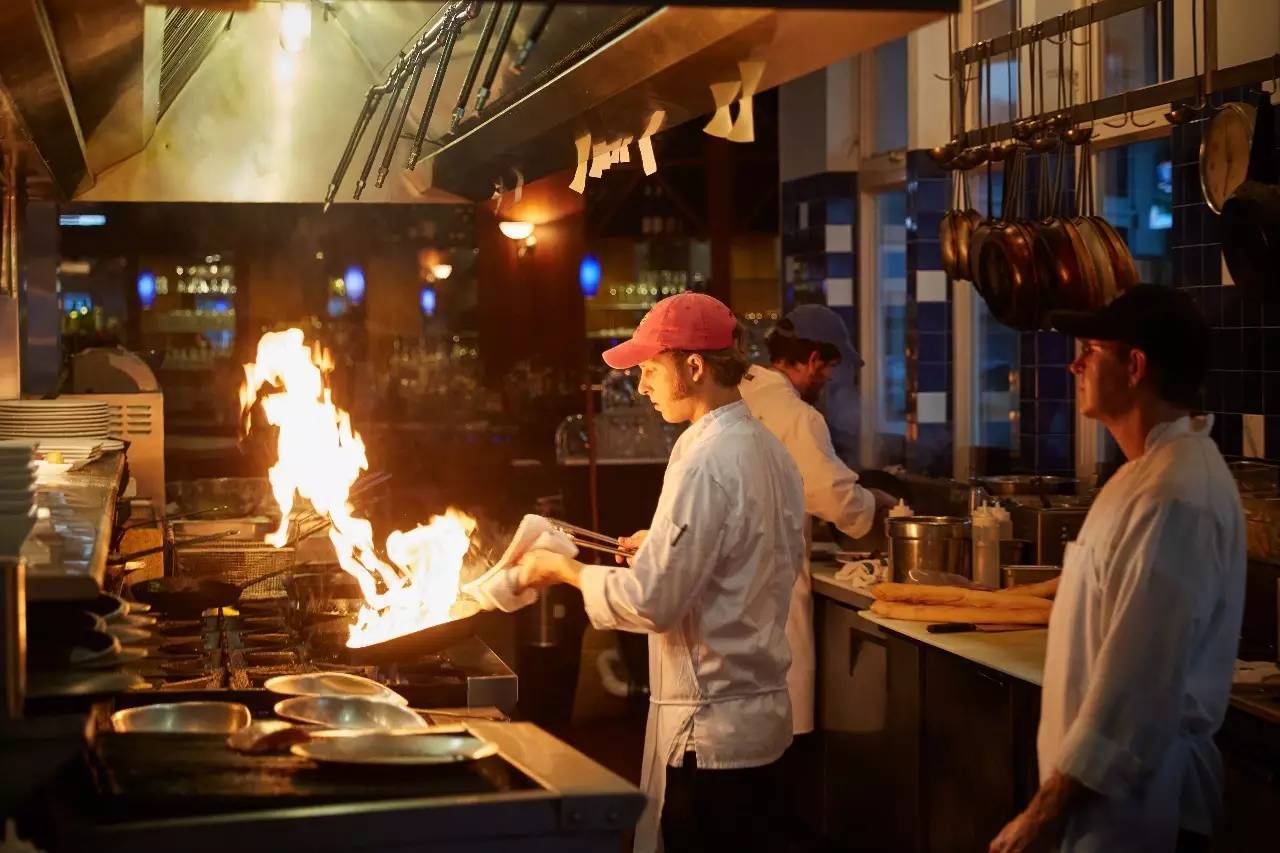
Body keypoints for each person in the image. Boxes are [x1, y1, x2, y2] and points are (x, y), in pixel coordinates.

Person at [515, 292, 806, 853]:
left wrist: (563, 571)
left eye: (650, 369)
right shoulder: (766, 447)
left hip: (710, 736)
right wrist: (663, 549)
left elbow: (653, 602)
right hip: (762, 728)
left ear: (694, 366)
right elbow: (753, 554)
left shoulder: (706, 460)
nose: (641, 385)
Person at [990, 285, 1246, 853]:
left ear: (1134, 366)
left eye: (1091, 349)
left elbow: (1136, 687)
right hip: (1101, 804)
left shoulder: (1175, 497)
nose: (1074, 363)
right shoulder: (1143, 474)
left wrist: (1042, 816)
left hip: (1139, 810)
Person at [739, 304, 896, 737]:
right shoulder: (799, 416)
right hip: (771, 599)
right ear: (812, 360)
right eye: (828, 368)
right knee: (774, 742)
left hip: (728, 595)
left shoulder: (737, 392)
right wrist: (876, 503)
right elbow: (834, 497)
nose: (827, 379)